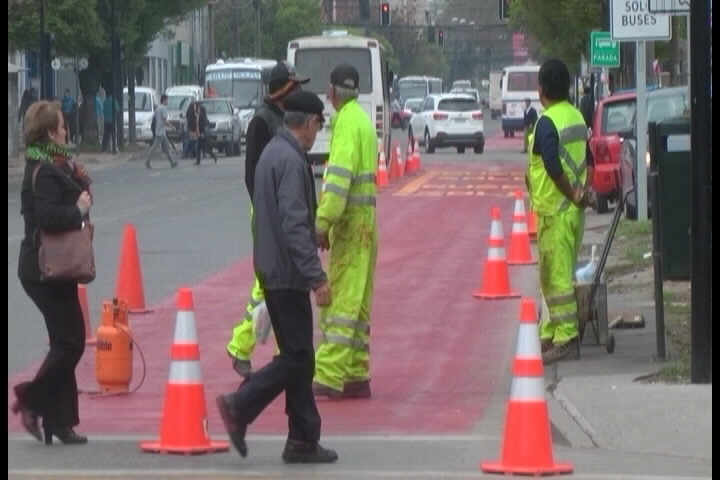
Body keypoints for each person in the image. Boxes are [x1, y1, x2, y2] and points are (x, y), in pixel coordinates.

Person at [215, 90, 338, 464]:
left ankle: (301, 439)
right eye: (318, 125)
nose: (318, 133)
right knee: (298, 357)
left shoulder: (273, 153)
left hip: (273, 269)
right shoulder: (290, 158)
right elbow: (294, 224)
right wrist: (316, 277)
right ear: (311, 123)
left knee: (298, 356)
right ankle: (240, 404)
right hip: (287, 274)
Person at [13, 100, 93, 446]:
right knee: (72, 339)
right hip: (42, 266)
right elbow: (48, 216)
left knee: (64, 341)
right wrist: (77, 209)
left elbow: (82, 193)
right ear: (49, 132)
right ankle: (31, 399)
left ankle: (58, 422)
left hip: (54, 267)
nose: (67, 131)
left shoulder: (54, 164)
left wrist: (79, 178)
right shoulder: (44, 170)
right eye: (62, 126)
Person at [226, 60, 310, 378]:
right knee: (269, 282)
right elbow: (254, 175)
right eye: (295, 85)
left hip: (282, 210)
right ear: (282, 90)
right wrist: (267, 214)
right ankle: (240, 345)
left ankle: (282, 350)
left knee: (280, 281)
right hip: (268, 212)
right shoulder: (263, 122)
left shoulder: (283, 119)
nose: (299, 90)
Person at [312, 64, 378, 400]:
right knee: (359, 302)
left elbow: (337, 180)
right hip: (366, 225)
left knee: (341, 300)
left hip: (351, 227)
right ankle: (355, 372)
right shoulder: (363, 123)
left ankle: (329, 372)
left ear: (334, 92)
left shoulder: (345, 126)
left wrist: (323, 222)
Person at [525, 58, 596, 364]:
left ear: (541, 90)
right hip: (574, 212)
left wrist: (570, 193)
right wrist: (583, 194)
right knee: (556, 275)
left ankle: (566, 338)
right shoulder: (577, 117)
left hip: (555, 212)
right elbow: (589, 160)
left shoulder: (546, 122)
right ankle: (549, 334)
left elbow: (553, 166)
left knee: (555, 278)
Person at [145, 94, 178, 169]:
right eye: (167, 100)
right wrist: (172, 126)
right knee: (154, 147)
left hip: (160, 131)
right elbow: (164, 119)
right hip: (160, 132)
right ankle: (147, 161)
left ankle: (172, 163)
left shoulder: (158, 108)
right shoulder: (163, 108)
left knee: (166, 148)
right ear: (164, 100)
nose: (167, 102)